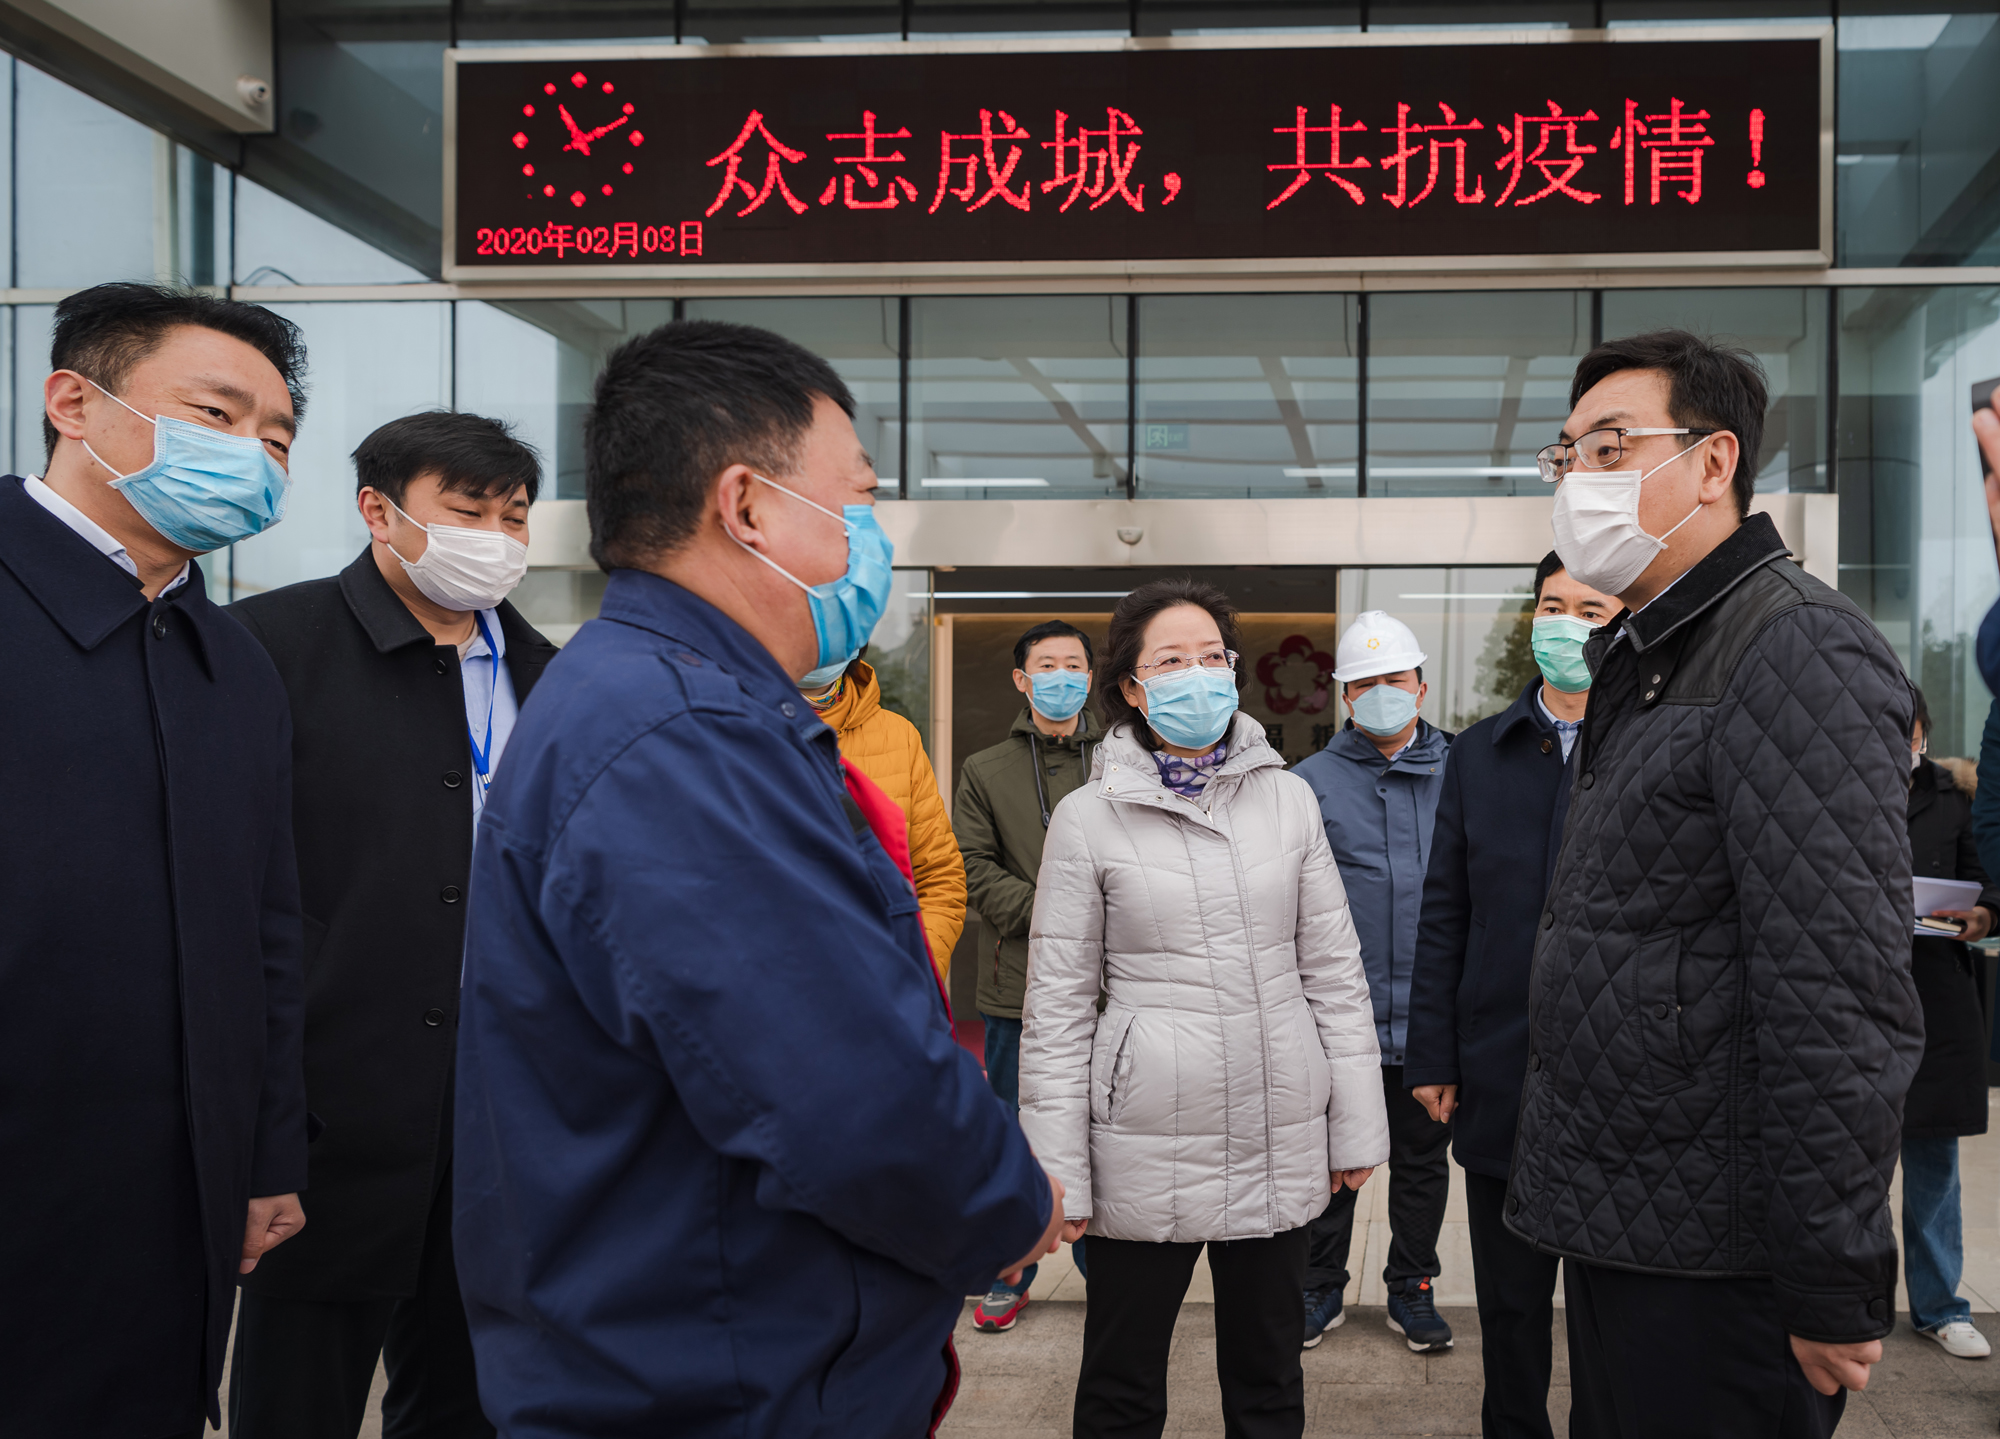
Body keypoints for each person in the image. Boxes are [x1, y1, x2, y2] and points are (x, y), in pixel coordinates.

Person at [452, 319, 1061, 1438]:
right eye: (857, 500)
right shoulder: (678, 733)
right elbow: (847, 1087)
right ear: (746, 506)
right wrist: (1006, 1204)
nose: (867, 540)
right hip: (720, 1374)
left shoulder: (656, 698)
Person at [1517, 329, 1920, 1435]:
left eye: (1610, 448)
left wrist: (1832, 1274)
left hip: (1724, 1251)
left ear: (1712, 462)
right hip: (1635, 1217)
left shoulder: (1794, 648)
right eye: (1566, 457)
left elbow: (1837, 988)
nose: (1578, 481)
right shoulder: (1651, 652)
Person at [0, 282, 310, 1438]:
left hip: (179, 1197)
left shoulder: (235, 662)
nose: (252, 454)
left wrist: (266, 1148)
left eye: (276, 438)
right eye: (215, 415)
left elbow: (268, 923)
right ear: (74, 402)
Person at [224, 412, 560, 1439]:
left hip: (507, 1105)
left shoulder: (551, 674)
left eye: (513, 516)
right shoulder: (268, 647)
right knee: (298, 1398)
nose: (494, 538)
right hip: (332, 1102)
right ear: (378, 510)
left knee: (472, 1396)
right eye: (466, 512)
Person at [1020, 576, 1390, 1439]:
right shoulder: (1087, 818)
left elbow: (1334, 972)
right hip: (1143, 1137)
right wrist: (1058, 1165)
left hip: (1275, 1127)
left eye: (1212, 656)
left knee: (1269, 1378)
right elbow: (1058, 1008)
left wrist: (1356, 1124)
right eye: (1171, 661)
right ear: (1131, 688)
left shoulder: (1289, 797)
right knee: (1120, 1384)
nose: (1198, 674)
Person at [1402, 552, 1620, 1438]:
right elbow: (1445, 912)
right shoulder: (1478, 753)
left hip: (1622, 1077)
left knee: (1611, 1320)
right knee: (1512, 1304)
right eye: (1551, 605)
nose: (1566, 624)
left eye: (1591, 609)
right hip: (1502, 1067)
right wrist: (1433, 1054)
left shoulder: (1657, 740)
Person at [1290, 609, 1454, 1353]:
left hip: (1431, 1018)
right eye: (1366, 683)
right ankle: (1318, 1286)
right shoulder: (1306, 785)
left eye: (1396, 678)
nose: (1383, 692)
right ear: (1346, 697)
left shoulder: (1463, 771)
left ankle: (1412, 1285)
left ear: (1421, 686)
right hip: (1339, 1021)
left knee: (1422, 1163)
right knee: (1336, 1162)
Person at [954, 618, 1103, 1331]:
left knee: (1108, 1132)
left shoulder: (1126, 758)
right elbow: (972, 866)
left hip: (1113, 985)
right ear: (1021, 679)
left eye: (1074, 664)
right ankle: (1009, 1269)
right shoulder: (985, 769)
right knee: (1017, 1131)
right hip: (1018, 985)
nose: (1061, 676)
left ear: (1091, 677)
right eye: (1047, 665)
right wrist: (1056, 911)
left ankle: (1105, 1269)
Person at [1900, 687, 1998, 1359]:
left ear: (1922, 731)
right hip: (1850, 997)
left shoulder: (1955, 797)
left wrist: (1982, 914)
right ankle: (1849, 1304)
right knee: (1845, 1163)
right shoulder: (1833, 788)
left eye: (1906, 730)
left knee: (1933, 1158)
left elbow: (1986, 884)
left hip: (1935, 993)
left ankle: (1940, 1307)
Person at [803, 647, 965, 979]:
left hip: (885, 984)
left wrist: (916, 973)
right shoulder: (729, 730)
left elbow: (939, 876)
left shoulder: (899, 736)